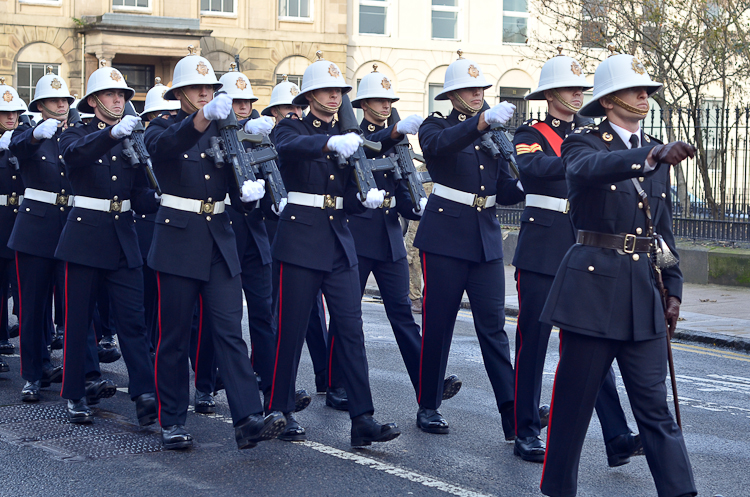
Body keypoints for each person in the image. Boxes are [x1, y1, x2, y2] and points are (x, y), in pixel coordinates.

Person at [539, 52, 697, 497]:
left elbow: (661, 233)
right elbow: (584, 170)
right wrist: (647, 157)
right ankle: (557, 490)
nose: (644, 95)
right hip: (592, 289)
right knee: (573, 406)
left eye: (647, 90)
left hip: (643, 291)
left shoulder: (656, 152)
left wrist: (676, 289)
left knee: (654, 407)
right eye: (634, 89)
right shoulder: (584, 142)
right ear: (608, 101)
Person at [144, 45, 285, 450]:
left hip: (220, 238)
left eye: (209, 88)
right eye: (197, 89)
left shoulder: (227, 130)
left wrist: (251, 194)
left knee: (229, 331)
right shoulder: (164, 124)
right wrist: (204, 118)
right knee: (173, 337)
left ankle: (247, 419)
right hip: (177, 240)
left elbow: (237, 187)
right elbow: (164, 146)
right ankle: (171, 419)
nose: (205, 94)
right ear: (181, 94)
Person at [512, 50, 642, 465]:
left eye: (581, 89)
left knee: (588, 345)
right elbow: (532, 169)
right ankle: (526, 429)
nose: (577, 93)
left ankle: (616, 434)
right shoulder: (530, 131)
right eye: (570, 88)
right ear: (550, 93)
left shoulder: (590, 134)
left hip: (582, 245)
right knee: (533, 342)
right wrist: (581, 164)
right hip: (543, 245)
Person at [269, 51, 400, 447]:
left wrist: (368, 198)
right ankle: (279, 409)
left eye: (338, 91)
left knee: (351, 329)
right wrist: (330, 144)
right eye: (325, 91)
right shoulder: (292, 128)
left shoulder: (349, 136)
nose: (333, 97)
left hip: (339, 243)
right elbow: (287, 147)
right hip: (300, 241)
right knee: (290, 331)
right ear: (308, 96)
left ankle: (363, 418)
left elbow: (348, 193)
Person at [326, 64, 462, 411]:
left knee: (402, 313)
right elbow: (365, 152)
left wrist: (418, 205)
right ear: (363, 104)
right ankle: (335, 381)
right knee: (347, 314)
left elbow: (402, 189)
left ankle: (426, 382)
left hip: (387, 235)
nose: (386, 106)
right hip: (356, 234)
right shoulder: (356, 136)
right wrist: (393, 134)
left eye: (389, 101)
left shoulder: (397, 140)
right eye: (378, 100)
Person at [414, 51, 524, 436]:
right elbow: (440, 146)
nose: (478, 94)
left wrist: (525, 184)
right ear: (453, 95)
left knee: (493, 329)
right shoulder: (435, 125)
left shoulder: (493, 132)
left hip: (485, 239)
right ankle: (428, 404)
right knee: (439, 324)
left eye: (481, 89)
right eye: (469, 89)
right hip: (445, 238)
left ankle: (513, 415)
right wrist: (480, 123)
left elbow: (502, 188)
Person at [57, 62, 158, 425]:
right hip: (84, 236)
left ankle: (145, 394)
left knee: (132, 321)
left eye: (123, 95)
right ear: (95, 101)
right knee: (78, 319)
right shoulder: (76, 132)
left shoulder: (133, 134)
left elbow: (139, 191)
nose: (119, 100)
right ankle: (76, 392)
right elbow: (76, 155)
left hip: (122, 237)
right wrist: (113, 134)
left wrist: (156, 199)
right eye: (112, 95)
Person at [9, 68, 102, 403]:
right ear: (40, 104)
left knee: (78, 308)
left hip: (71, 227)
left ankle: (86, 374)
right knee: (33, 308)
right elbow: (17, 148)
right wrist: (35, 135)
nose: (60, 104)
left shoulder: (77, 134)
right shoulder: (29, 132)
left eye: (64, 99)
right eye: (53, 99)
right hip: (36, 229)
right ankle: (34, 374)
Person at [262, 76, 330, 396]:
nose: (292, 113)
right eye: (285, 109)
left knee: (313, 310)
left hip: (303, 225)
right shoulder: (265, 136)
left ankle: (324, 375)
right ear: (273, 112)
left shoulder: (303, 133)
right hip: (272, 226)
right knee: (277, 311)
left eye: (296, 107)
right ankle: (269, 379)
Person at [0, 78, 26, 366]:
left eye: (15, 113)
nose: (11, 117)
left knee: (22, 287)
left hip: (23, 221)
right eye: (5, 112)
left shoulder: (25, 140)